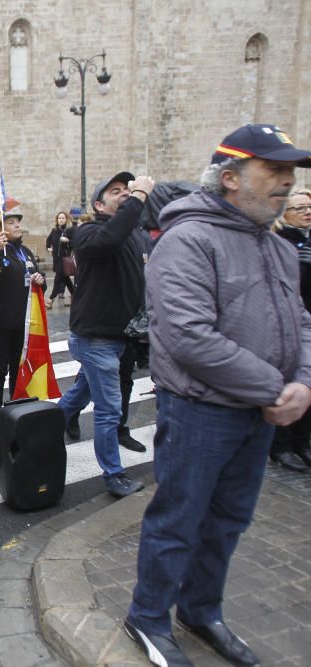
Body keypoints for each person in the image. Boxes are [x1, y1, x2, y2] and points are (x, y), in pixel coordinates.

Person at [124, 125, 311, 667]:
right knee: (179, 519)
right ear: (229, 178)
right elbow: (188, 337)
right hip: (201, 413)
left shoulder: (275, 246)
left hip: (257, 413)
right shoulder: (187, 241)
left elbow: (299, 321)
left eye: (289, 172)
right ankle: (149, 616)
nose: (286, 182)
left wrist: (302, 381)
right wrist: (277, 388)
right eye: (272, 171)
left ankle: (201, 609)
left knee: (229, 520)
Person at [56, 170, 154, 498]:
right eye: (116, 191)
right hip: (95, 338)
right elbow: (109, 238)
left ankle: (43, 430)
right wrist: (139, 197)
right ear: (99, 204)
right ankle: (113, 474)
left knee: (80, 393)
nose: (125, 193)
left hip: (117, 337)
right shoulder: (89, 232)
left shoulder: (131, 234)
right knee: (109, 408)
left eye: (128, 189)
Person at [0, 209, 45, 425]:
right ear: (1, 230)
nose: (17, 225)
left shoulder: (25, 252)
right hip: (1, 325)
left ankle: (14, 410)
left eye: (18, 222)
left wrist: (40, 279)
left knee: (17, 370)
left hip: (24, 324)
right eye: (11, 222)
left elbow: (37, 279)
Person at [267, 188, 311, 472]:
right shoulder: (280, 242)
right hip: (287, 325)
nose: (307, 212)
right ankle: (281, 446)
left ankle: (302, 441)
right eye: (299, 208)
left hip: (307, 323)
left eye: (309, 207)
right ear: (285, 215)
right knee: (285, 386)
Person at [45, 211, 75, 307]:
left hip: (65, 258)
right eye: (59, 218)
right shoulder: (54, 230)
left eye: (63, 218)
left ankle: (51, 298)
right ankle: (76, 295)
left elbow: (75, 242)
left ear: (66, 219)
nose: (61, 220)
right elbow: (48, 240)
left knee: (58, 278)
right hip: (56, 259)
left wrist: (68, 241)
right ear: (57, 220)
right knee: (65, 278)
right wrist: (49, 247)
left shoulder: (69, 230)